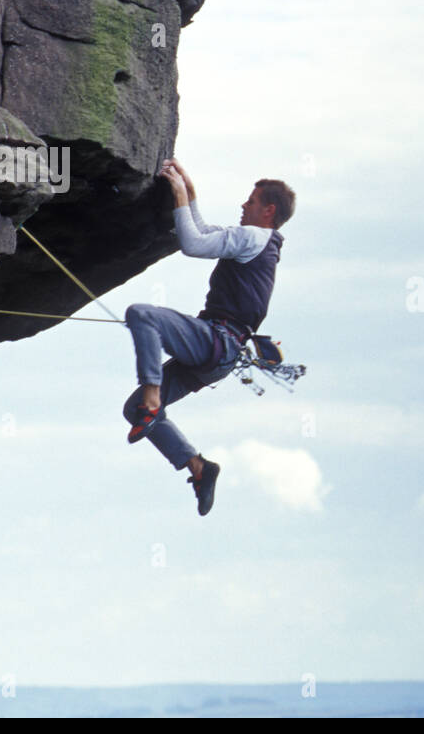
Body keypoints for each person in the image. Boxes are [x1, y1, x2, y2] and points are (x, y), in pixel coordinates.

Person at [122, 159, 296, 516]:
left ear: (269, 209)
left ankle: (152, 400)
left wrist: (179, 195)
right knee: (132, 409)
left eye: (250, 201)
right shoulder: (259, 242)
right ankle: (199, 468)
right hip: (220, 358)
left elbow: (192, 244)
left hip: (217, 341)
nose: (243, 205)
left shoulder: (252, 237)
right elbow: (203, 231)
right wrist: (191, 193)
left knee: (142, 315)